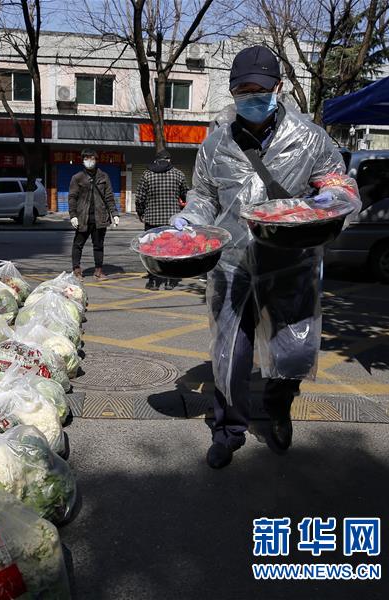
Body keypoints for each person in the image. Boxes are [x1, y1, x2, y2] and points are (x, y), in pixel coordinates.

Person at [170, 46, 360, 469]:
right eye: (243, 90)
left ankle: (278, 410)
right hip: (233, 265)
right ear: (233, 93)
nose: (251, 97)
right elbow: (203, 195)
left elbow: (335, 180)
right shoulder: (216, 144)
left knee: (291, 352)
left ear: (279, 88)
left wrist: (335, 196)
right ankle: (229, 429)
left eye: (259, 89)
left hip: (290, 263)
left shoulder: (310, 138)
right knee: (230, 354)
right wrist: (187, 220)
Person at [135, 150, 189, 290]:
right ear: (169, 160)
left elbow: (139, 198)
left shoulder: (147, 174)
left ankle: (153, 280)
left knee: (151, 249)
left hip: (152, 220)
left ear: (156, 160)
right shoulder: (178, 174)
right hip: (172, 220)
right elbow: (186, 195)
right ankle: (170, 280)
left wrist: (140, 213)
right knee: (172, 249)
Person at [68, 148, 120, 281]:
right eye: (86, 158)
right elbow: (72, 197)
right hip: (82, 218)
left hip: (100, 217)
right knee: (78, 244)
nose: (89, 161)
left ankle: (98, 271)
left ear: (96, 160)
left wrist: (114, 214)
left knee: (98, 245)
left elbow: (109, 196)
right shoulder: (77, 177)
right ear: (83, 160)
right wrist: (73, 215)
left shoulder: (104, 177)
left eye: (92, 158)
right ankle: (77, 270)